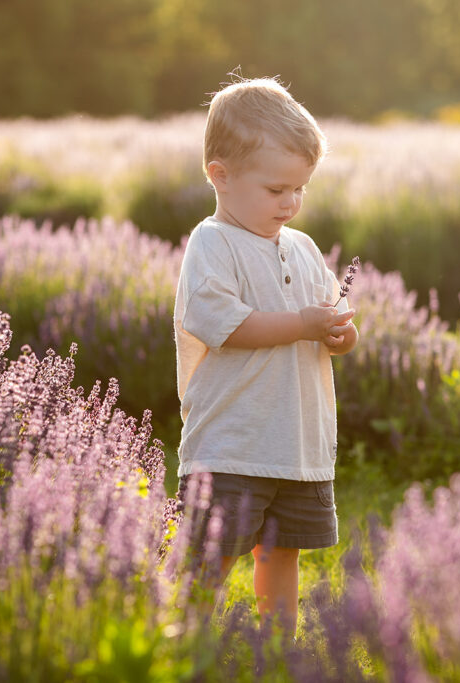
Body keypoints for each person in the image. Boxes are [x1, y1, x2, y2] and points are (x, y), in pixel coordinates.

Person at [174, 75, 359, 637]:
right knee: (211, 552)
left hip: (295, 442)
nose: (291, 202)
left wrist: (338, 334)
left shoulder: (301, 247)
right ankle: (184, 636)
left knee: (282, 552)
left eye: (300, 189)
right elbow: (226, 326)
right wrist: (301, 324)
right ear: (221, 177)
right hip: (232, 441)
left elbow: (331, 313)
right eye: (276, 189)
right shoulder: (212, 244)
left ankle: (278, 644)